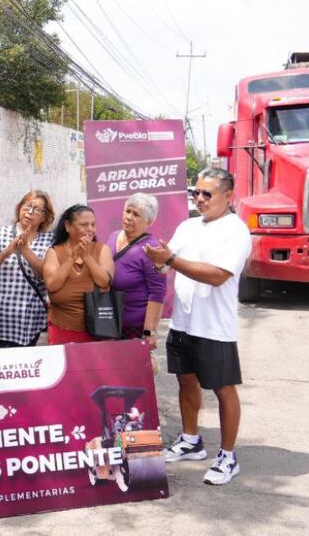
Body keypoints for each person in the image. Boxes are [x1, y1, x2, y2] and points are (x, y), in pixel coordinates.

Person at [145, 167, 252, 486]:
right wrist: (158, 258)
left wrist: (171, 260)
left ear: (228, 196)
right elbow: (167, 263)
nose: (200, 199)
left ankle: (228, 456)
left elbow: (219, 274)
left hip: (214, 326)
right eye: (196, 193)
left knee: (223, 389)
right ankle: (191, 440)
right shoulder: (188, 226)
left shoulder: (236, 231)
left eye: (208, 193)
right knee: (185, 381)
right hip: (183, 322)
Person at [0, 191, 55, 349]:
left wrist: (26, 250)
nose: (30, 211)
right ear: (19, 208)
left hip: (28, 321)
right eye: (27, 206)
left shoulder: (49, 240)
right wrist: (8, 251)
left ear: (44, 217)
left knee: (20, 369)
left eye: (37, 209)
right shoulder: (1, 233)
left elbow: (46, 276)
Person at [43, 204, 115, 345]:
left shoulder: (102, 250)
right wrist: (71, 258)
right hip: (62, 327)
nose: (90, 229)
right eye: (84, 224)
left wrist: (87, 257)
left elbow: (104, 281)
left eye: (93, 225)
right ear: (68, 226)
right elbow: (52, 284)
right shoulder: (54, 252)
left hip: (98, 328)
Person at [107, 193, 167, 349]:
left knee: (131, 372)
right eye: (128, 211)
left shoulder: (152, 249)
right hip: (108, 322)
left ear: (149, 221)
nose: (129, 217)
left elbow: (157, 292)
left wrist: (149, 332)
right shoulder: (113, 237)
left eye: (136, 214)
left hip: (134, 327)